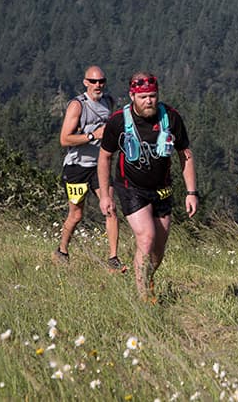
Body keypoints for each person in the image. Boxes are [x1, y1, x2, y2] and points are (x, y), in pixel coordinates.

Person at [97, 72, 198, 301]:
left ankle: (147, 277)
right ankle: (143, 297)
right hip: (130, 187)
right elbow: (104, 157)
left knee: (158, 248)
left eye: (152, 96)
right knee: (146, 237)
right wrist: (105, 195)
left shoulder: (171, 117)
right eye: (143, 97)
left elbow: (186, 155)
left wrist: (191, 192)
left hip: (162, 189)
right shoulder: (118, 121)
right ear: (132, 96)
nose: (149, 101)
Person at [53, 65, 122, 271]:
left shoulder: (108, 102)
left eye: (101, 81)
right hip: (77, 167)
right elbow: (65, 139)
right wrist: (93, 136)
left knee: (110, 208)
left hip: (99, 165)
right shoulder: (77, 105)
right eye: (93, 81)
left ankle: (113, 259)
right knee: (76, 214)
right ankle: (62, 250)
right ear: (85, 83)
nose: (98, 85)